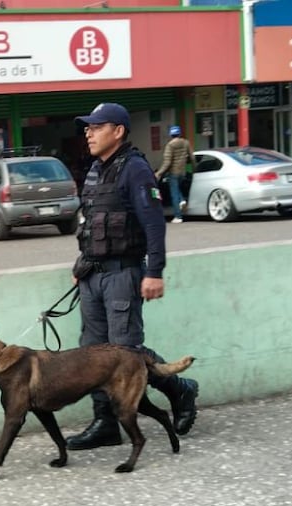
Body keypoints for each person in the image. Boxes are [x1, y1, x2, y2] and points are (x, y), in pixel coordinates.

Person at [66, 103, 198, 451]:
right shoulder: (96, 169)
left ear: (118, 131)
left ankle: (180, 390)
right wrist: (81, 266)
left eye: (96, 127)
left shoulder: (135, 169)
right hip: (92, 275)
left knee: (125, 351)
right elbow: (91, 225)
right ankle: (106, 424)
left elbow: (154, 224)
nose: (89, 133)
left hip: (123, 274)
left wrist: (154, 272)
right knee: (92, 354)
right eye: (87, 128)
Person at [155, 125, 192, 224]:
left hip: (173, 173)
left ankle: (178, 216)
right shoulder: (186, 143)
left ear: (171, 134)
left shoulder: (170, 145)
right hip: (183, 172)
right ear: (179, 133)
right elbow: (192, 157)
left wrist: (159, 173)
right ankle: (182, 200)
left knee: (174, 194)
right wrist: (194, 168)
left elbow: (167, 162)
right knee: (178, 189)